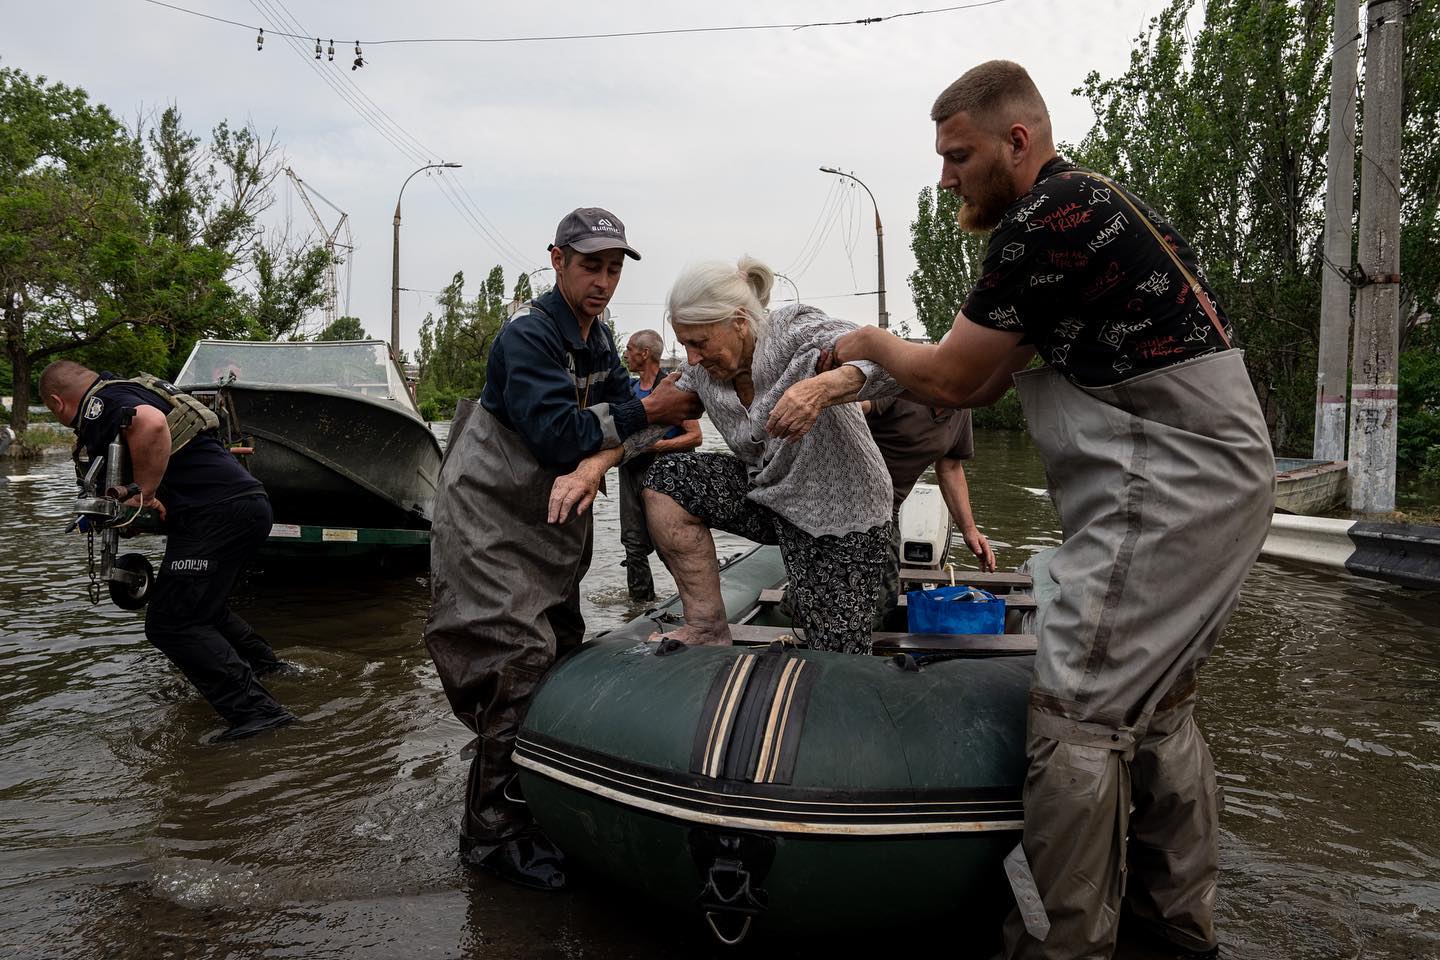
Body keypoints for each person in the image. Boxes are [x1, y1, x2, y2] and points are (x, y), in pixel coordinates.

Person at [826, 61, 1274, 959]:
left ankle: (1072, 947)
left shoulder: (1041, 223)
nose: (946, 177)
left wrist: (867, 343)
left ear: (1016, 141)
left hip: (1170, 484)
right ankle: (1174, 935)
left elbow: (951, 376)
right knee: (1159, 705)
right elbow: (988, 382)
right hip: (1215, 477)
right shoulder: (1086, 207)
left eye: (958, 156)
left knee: (1075, 712)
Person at [424, 208, 694, 891]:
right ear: (557, 259)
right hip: (488, 521)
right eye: (590, 265)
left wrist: (607, 446)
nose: (603, 280)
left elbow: (598, 432)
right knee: (512, 663)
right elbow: (555, 434)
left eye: (613, 268)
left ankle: (534, 799)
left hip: (546, 522)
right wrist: (642, 414)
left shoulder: (597, 338)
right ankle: (489, 835)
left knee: (561, 650)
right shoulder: (529, 335)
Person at [548, 256, 896, 655]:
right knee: (668, 479)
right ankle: (706, 625)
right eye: (684, 345)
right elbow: (650, 425)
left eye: (700, 343)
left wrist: (824, 388)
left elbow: (891, 363)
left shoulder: (793, 329)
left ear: (739, 322)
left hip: (842, 511)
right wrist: (592, 467)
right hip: (769, 498)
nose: (692, 359)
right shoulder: (702, 374)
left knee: (835, 656)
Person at [39, 360, 295, 741]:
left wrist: (145, 490)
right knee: (202, 608)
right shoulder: (126, 387)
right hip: (236, 506)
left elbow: (152, 424)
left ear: (58, 403)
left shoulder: (101, 405)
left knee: (172, 623)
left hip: (216, 513)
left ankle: (258, 714)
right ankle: (267, 667)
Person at [864, 397, 995, 611]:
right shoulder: (901, 382)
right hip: (841, 499)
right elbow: (855, 404)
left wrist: (970, 530)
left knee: (883, 602)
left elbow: (950, 467)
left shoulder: (961, 408)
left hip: (885, 510)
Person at [618, 329, 702, 601]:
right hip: (630, 472)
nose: (626, 354)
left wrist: (656, 446)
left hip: (662, 476)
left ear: (645, 353)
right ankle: (639, 606)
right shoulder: (629, 390)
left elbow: (695, 436)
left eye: (630, 349)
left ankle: (693, 600)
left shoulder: (671, 388)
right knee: (632, 544)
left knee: (667, 543)